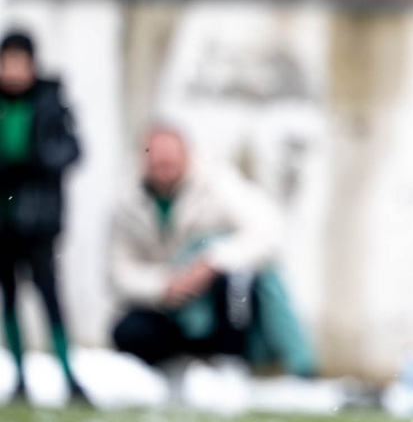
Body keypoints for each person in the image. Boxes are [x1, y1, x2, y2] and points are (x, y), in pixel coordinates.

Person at [108, 122, 297, 376]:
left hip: (217, 304)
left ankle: (230, 368)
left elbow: (268, 230)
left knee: (237, 283)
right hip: (168, 307)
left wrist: (209, 264)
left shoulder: (218, 183)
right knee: (127, 332)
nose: (164, 166)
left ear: (187, 155)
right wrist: (165, 285)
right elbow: (119, 271)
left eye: (170, 159)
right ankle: (175, 371)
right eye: (157, 160)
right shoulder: (126, 201)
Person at [1, 29, 88, 405]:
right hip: (3, 220)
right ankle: (19, 377)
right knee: (9, 297)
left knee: (49, 296)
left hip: (39, 221)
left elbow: (71, 150)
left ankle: (68, 375)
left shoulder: (51, 102)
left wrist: (35, 160)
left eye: (20, 62)